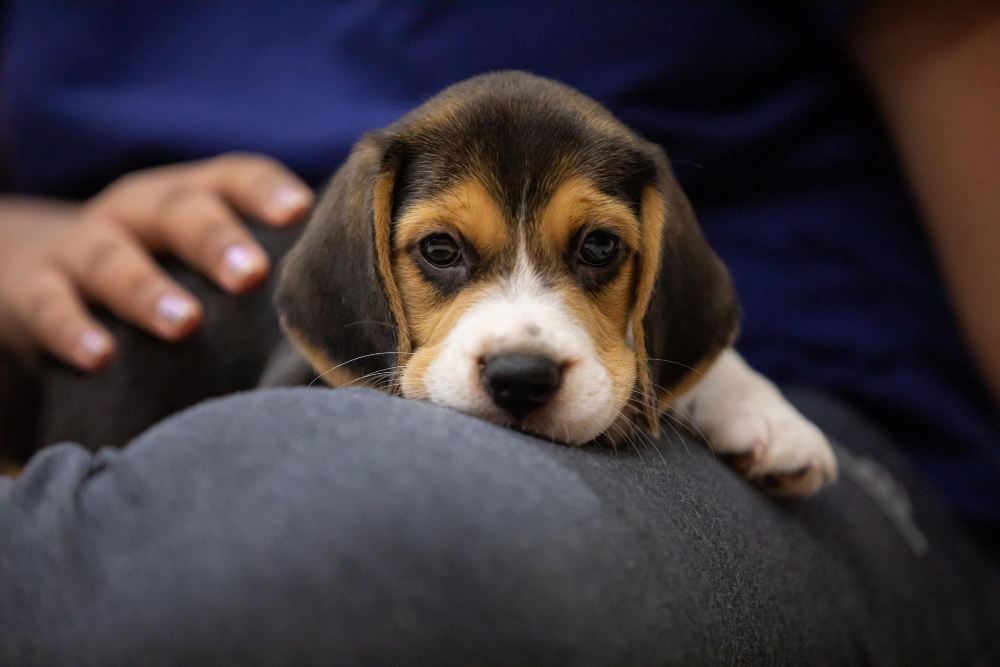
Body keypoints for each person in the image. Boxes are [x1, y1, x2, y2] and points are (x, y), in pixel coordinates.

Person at [1, 2, 999, 664]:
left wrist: (704, 376)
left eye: (597, 251)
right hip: (68, 345)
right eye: (443, 252)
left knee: (327, 554)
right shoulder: (353, 266)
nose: (521, 334)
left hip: (838, 409)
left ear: (652, 254)